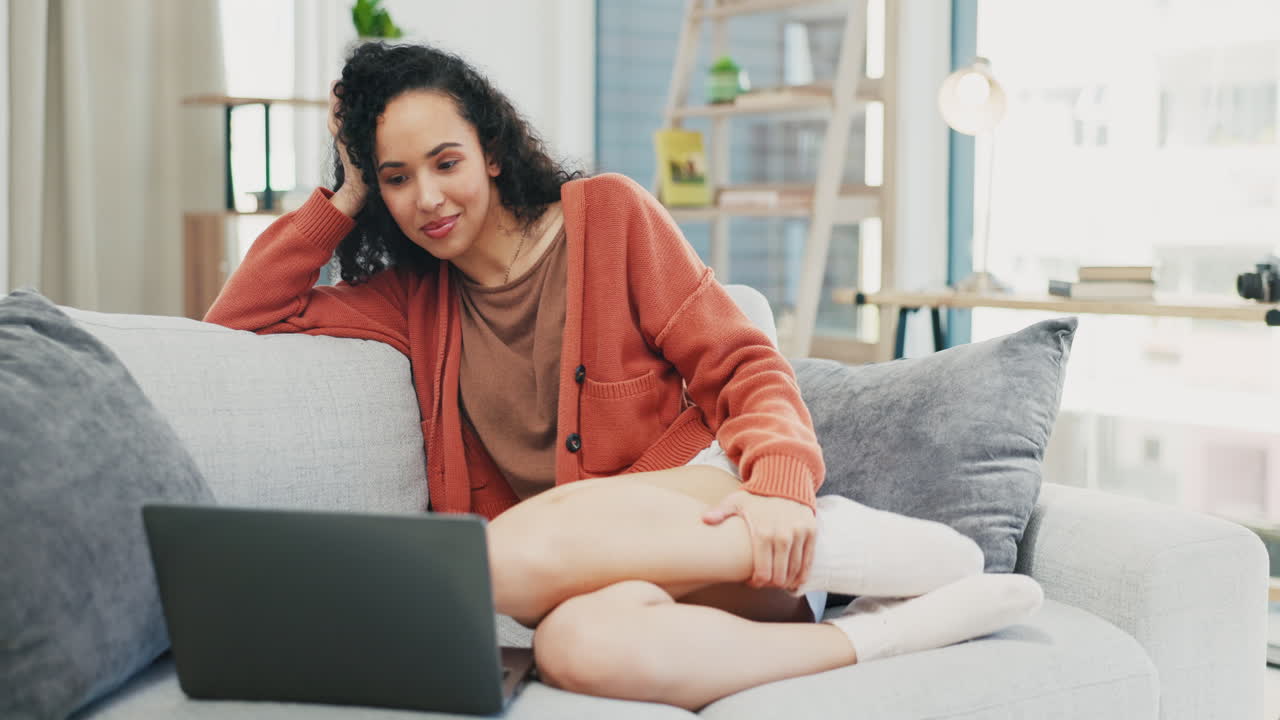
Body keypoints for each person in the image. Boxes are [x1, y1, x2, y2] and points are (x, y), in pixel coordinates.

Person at [204, 42, 1043, 711]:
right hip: (614, 582)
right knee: (574, 649)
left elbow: (741, 360)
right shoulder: (408, 298)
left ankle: (849, 541)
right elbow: (240, 319)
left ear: (491, 154)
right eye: (395, 178)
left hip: (717, 514)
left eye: (444, 161)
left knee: (491, 560)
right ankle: (895, 631)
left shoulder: (607, 216)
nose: (426, 197)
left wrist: (783, 486)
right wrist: (341, 194)